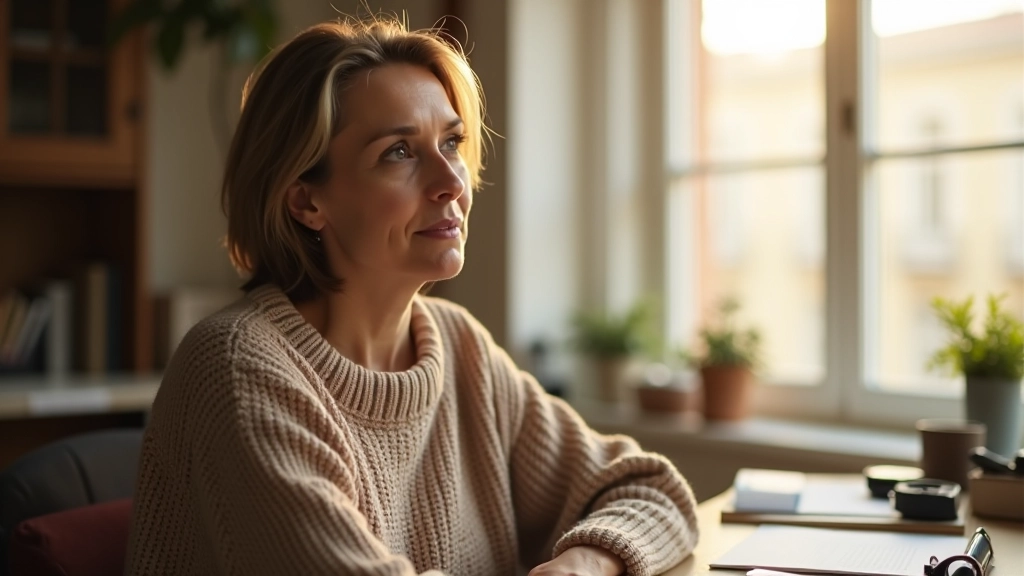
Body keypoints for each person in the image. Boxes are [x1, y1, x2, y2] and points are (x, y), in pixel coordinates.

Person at [125, 15, 699, 576]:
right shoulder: (239, 370)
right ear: (306, 202)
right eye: (398, 152)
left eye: (451, 142)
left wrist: (587, 562)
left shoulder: (458, 346)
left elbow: (649, 489)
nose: (451, 181)